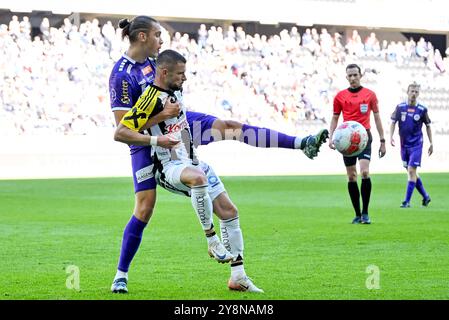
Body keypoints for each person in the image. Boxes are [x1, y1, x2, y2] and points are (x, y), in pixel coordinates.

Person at [109, 16, 328, 293]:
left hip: (181, 125)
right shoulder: (122, 75)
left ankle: (301, 143)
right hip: (146, 141)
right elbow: (124, 127)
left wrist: (175, 117)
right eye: (157, 35)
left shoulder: (158, 60)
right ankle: (121, 274)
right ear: (142, 37)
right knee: (145, 207)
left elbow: (171, 92)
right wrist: (161, 124)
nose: (161, 40)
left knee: (230, 128)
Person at [115, 49, 264, 292]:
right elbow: (120, 132)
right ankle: (211, 239)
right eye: (180, 74)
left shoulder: (174, 90)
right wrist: (157, 140)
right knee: (198, 179)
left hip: (190, 159)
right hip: (167, 165)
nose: (185, 78)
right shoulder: (150, 98)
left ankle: (238, 277)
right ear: (164, 73)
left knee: (229, 211)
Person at [329, 64, 386, 224]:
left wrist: (382, 140)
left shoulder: (370, 95)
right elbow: (334, 118)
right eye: (350, 76)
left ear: (361, 75)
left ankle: (366, 213)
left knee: (365, 172)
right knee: (352, 176)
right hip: (346, 140)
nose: (353, 78)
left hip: (364, 137)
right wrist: (331, 137)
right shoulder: (340, 96)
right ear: (346, 77)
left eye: (355, 75)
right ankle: (357, 214)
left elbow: (377, 117)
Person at [390, 82, 432, 208]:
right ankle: (425, 196)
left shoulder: (422, 109)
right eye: (412, 91)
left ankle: (406, 201)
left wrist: (431, 143)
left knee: (411, 170)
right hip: (404, 145)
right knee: (411, 172)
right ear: (407, 92)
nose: (413, 94)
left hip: (416, 145)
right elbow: (393, 122)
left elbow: (428, 126)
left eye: (416, 92)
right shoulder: (400, 107)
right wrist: (390, 136)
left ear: (418, 94)